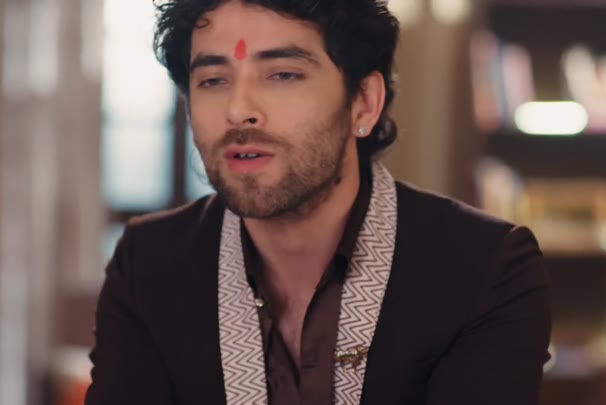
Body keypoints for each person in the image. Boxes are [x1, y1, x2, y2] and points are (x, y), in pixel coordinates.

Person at [85, 1, 551, 404]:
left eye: (283, 75)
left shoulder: (485, 268)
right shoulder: (150, 262)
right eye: (212, 80)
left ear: (363, 103)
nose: (239, 110)